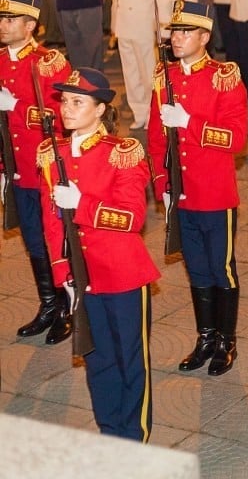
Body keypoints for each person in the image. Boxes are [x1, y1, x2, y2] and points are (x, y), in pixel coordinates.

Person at [38, 67, 160, 441]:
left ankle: (134, 436)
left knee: (129, 358)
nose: (66, 109)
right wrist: (64, 278)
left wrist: (84, 204)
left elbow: (132, 217)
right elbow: (52, 225)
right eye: (64, 101)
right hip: (82, 276)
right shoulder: (50, 154)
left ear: (100, 109)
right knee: (97, 359)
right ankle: (110, 430)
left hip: (122, 274)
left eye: (78, 102)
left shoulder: (123, 153)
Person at [147, 0, 248, 376]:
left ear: (204, 36)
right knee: (196, 269)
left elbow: (236, 138)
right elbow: (155, 139)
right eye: (174, 30)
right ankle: (205, 336)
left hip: (214, 192)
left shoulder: (224, 77)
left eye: (186, 31)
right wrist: (163, 185)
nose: (176, 37)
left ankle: (226, 340)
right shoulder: (165, 78)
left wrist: (189, 122)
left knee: (221, 269)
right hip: (181, 192)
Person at [0, 0, 72, 344]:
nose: (3, 24)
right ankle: (47, 303)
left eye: (11, 19)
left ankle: (66, 306)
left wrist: (15, 108)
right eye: (2, 18)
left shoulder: (48, 62)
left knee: (54, 237)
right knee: (31, 239)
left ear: (30, 25)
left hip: (44, 169)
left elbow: (64, 117)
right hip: (14, 169)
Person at [85, 0, 172, 129]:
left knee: (148, 72)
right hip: (123, 26)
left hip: (143, 27)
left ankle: (156, 113)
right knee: (130, 73)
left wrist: (165, 28)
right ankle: (139, 113)